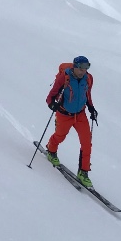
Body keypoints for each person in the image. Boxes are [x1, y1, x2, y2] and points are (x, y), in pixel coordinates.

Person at [44, 55, 99, 187]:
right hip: (64, 114)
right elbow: (51, 96)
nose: (83, 71)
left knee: (87, 143)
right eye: (81, 68)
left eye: (86, 68)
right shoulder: (65, 77)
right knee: (60, 136)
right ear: (74, 67)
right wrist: (52, 105)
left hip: (80, 115)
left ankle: (83, 172)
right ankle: (51, 150)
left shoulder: (88, 78)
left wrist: (91, 108)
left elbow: (87, 95)